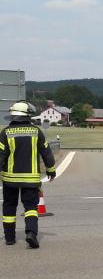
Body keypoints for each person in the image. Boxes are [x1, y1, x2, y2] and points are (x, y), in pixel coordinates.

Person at [0, 101, 56, 249]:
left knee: (9, 207)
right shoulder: (36, 132)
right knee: (31, 207)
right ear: (27, 116)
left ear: (13, 116)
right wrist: (51, 170)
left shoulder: (6, 133)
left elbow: (1, 156)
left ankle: (10, 238)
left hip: (9, 179)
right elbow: (47, 153)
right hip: (30, 179)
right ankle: (31, 233)